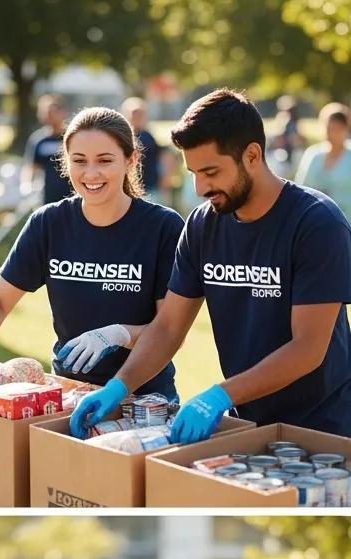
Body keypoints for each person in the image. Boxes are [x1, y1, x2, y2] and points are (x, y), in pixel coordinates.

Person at [71, 89, 351, 443]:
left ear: (252, 155)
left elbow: (308, 348)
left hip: (324, 428)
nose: (201, 187)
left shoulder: (316, 223)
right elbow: (169, 326)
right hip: (247, 423)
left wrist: (220, 395)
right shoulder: (204, 225)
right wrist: (120, 385)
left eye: (211, 171)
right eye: (193, 173)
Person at [0, 106, 184, 404]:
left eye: (105, 160)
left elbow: (172, 330)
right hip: (67, 395)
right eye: (79, 161)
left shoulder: (163, 227)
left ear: (131, 159)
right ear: (65, 162)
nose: (91, 173)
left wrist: (119, 334)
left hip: (146, 400)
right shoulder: (48, 223)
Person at [294, 102, 351, 224]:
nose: (331, 133)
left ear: (346, 128)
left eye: (336, 129)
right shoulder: (313, 155)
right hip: (316, 222)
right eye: (328, 128)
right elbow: (301, 188)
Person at [22, 94, 72, 207]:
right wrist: (27, 186)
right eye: (45, 111)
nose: (49, 114)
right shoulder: (38, 140)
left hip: (72, 195)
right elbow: (31, 167)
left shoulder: (71, 137)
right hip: (47, 197)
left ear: (63, 111)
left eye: (53, 110)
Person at [122, 97, 163, 204]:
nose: (137, 118)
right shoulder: (123, 138)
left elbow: (159, 157)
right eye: (134, 114)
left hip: (150, 186)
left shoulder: (148, 136)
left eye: (140, 114)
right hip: (128, 188)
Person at [267, 95, 305, 177]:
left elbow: (298, 142)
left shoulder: (293, 125)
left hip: (289, 158)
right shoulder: (280, 122)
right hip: (279, 157)